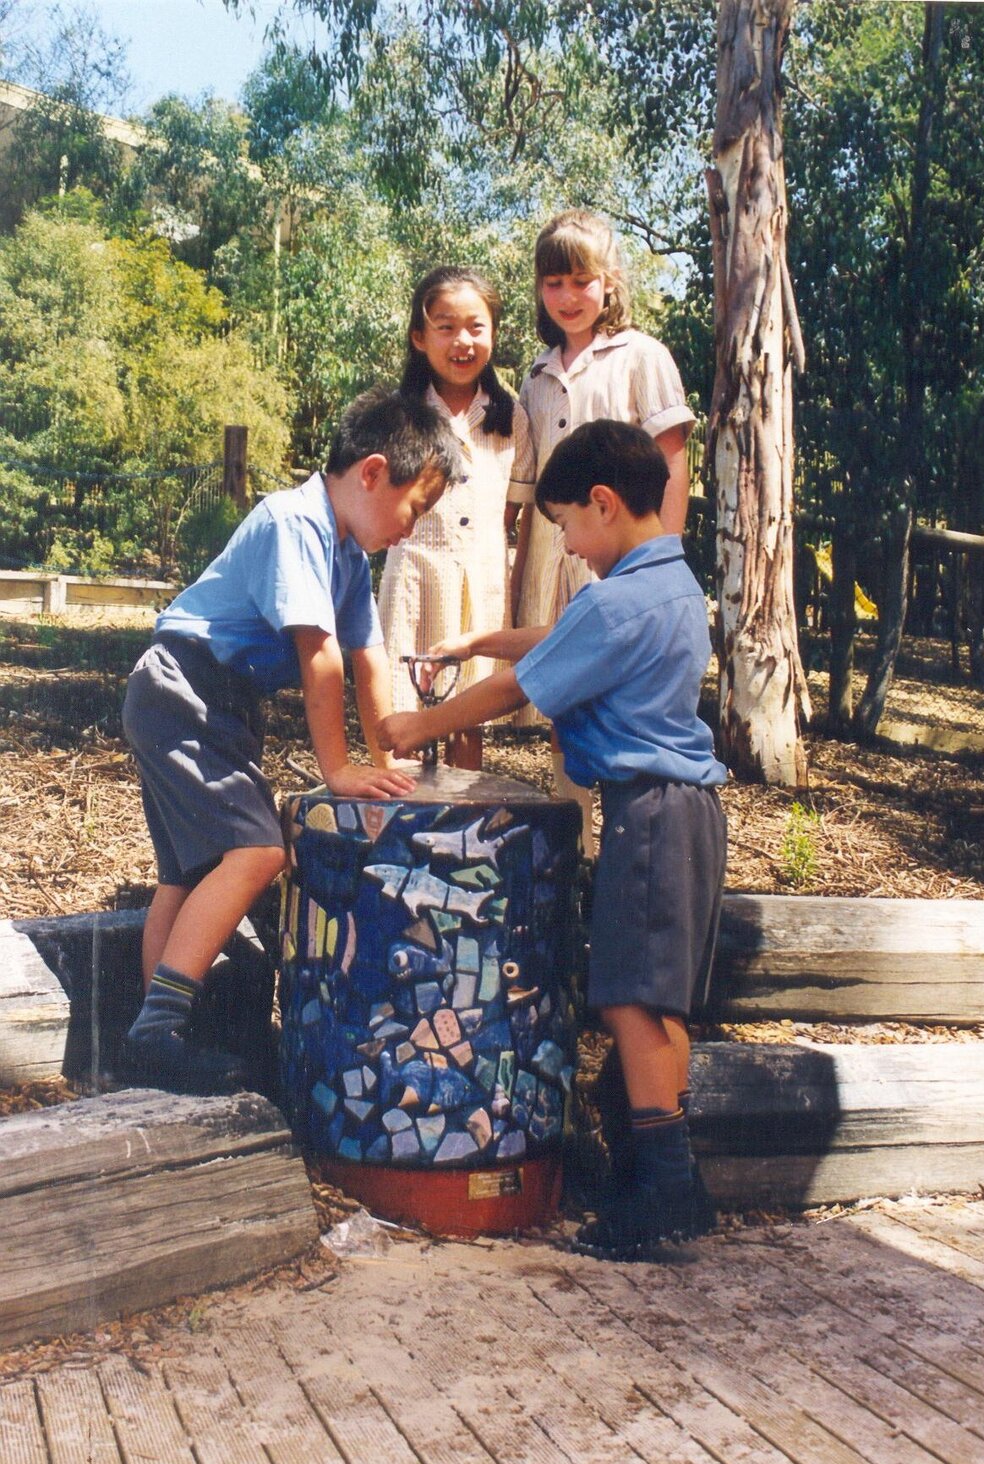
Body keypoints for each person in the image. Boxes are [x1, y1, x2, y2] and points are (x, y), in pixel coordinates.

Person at [378, 421, 727, 1260]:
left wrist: (417, 722)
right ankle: (668, 1178)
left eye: (568, 525)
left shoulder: (613, 598)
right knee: (662, 1000)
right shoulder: (672, 581)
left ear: (602, 506)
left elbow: (511, 693)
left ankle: (664, 1185)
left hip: (646, 812)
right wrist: (477, 638)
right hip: (695, 812)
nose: (568, 543)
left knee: (629, 1002)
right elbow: (559, 646)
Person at [122, 388, 463, 1093]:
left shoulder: (344, 552)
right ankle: (158, 1032)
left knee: (187, 874)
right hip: (186, 688)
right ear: (372, 472)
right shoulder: (294, 523)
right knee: (259, 851)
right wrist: (338, 768)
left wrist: (385, 759)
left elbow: (369, 657)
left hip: (203, 696)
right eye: (414, 508)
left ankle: (159, 1032)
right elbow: (324, 656)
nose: (410, 528)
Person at [511, 209, 697, 856]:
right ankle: (575, 855)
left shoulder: (642, 357)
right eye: (553, 282)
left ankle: (628, 848)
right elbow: (533, 485)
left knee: (622, 698)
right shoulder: (536, 373)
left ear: (610, 281)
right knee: (566, 699)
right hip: (557, 557)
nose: (567, 297)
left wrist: (661, 558)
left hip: (626, 566)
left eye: (581, 281)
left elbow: (671, 457)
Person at [377, 266, 535, 769]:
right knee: (406, 707)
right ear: (419, 338)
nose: (462, 341)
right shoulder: (399, 415)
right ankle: (404, 829)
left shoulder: (511, 418)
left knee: (469, 712)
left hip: (482, 580)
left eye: (476, 327)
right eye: (445, 327)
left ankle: (463, 830)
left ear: (494, 333)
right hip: (415, 578)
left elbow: (510, 509)